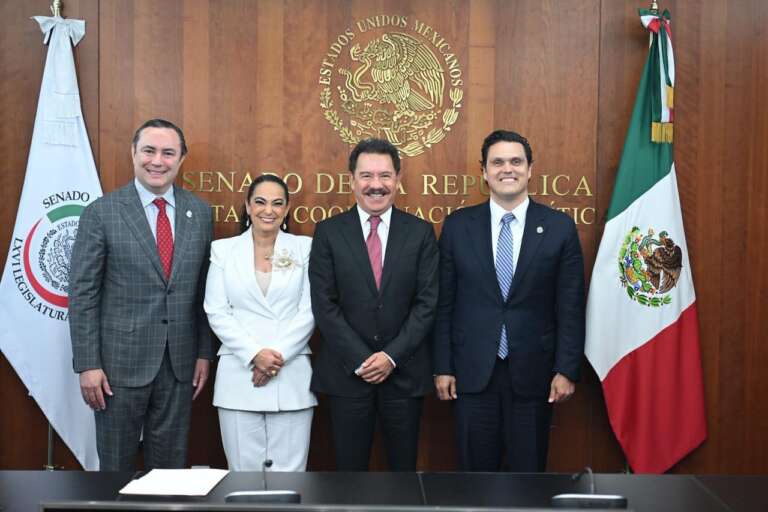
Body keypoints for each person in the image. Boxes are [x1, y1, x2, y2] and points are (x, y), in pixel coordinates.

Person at [432, 130, 585, 472]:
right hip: (471, 374)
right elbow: (444, 304)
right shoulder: (458, 226)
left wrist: (566, 369)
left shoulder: (559, 227)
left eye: (516, 161)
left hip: (535, 375)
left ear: (530, 169)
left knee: (528, 479)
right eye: (497, 162)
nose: (507, 169)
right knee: (474, 478)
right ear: (484, 172)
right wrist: (443, 366)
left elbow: (571, 307)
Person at [69, 118, 214, 470]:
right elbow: (83, 294)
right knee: (115, 470)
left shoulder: (200, 213)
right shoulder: (102, 212)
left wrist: (203, 353)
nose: (157, 161)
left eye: (168, 153)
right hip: (117, 368)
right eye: (149, 151)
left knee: (170, 471)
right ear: (133, 153)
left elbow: (203, 292)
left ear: (181, 159)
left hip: (179, 365)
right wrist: (88, 364)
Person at [309, 138, 438, 471]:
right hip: (347, 376)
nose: (375, 185)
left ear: (398, 179)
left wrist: (391, 357)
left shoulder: (421, 233)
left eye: (385, 175)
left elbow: (427, 303)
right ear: (352, 180)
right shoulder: (328, 233)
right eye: (366, 175)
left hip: (404, 375)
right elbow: (324, 304)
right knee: (349, 474)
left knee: (403, 474)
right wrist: (362, 360)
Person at [204, 174, 316, 471]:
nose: (269, 210)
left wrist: (275, 358)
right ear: (248, 205)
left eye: (277, 203)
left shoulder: (305, 248)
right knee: (243, 475)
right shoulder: (223, 250)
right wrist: (256, 355)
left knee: (290, 476)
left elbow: (310, 310)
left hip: (290, 375)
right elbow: (216, 310)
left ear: (287, 209)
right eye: (261, 202)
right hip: (239, 374)